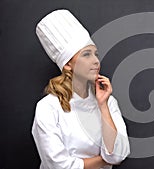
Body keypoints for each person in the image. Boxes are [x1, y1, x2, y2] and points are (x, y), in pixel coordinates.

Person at [32, 9, 130, 169]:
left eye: (96, 54)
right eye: (86, 55)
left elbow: (119, 154)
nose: (96, 61)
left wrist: (103, 105)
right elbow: (59, 166)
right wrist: (105, 160)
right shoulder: (48, 107)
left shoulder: (108, 101)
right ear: (68, 65)